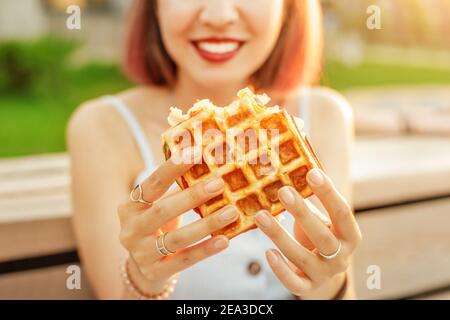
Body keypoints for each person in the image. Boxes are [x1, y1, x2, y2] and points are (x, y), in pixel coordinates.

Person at [67, 0, 361, 300]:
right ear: (154, 7)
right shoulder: (103, 127)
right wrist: (145, 280)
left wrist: (327, 285)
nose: (219, 16)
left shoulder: (326, 115)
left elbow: (335, 278)